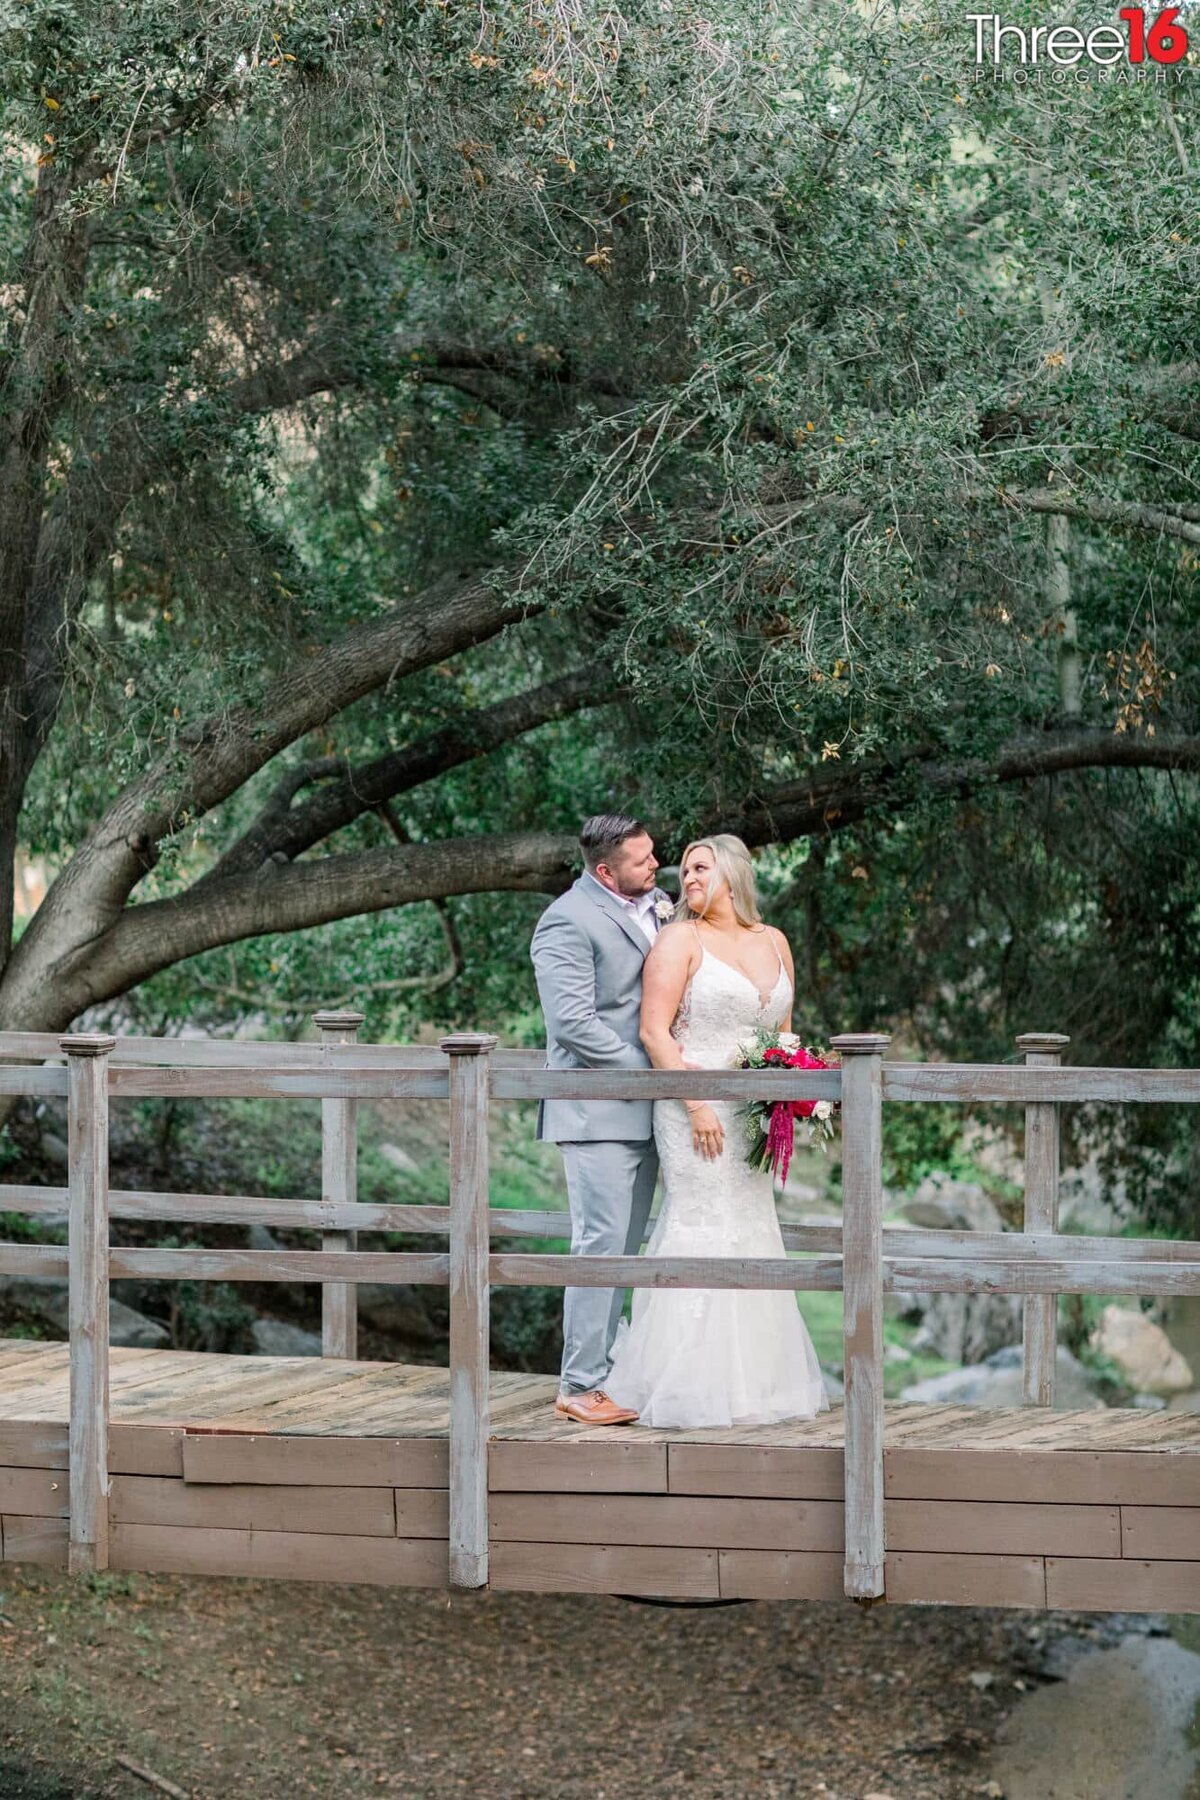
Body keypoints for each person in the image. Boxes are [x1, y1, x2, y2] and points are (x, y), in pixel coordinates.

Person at [604, 833, 829, 1428]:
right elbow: (655, 1033)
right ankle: (682, 1383)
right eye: (683, 870)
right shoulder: (680, 940)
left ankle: (755, 1386)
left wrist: (785, 1108)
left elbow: (782, 1036)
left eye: (699, 867)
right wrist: (698, 1105)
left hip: (752, 1116)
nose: (688, 878)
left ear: (733, 874)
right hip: (692, 1111)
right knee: (701, 1224)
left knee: (753, 1228)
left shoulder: (774, 940)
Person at [530, 813, 675, 1425]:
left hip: (646, 1111)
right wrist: (650, 1069)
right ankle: (578, 1384)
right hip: (596, 1110)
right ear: (605, 870)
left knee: (629, 1250)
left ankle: (610, 1374)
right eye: (643, 862)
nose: (656, 867)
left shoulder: (654, 904)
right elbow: (572, 1025)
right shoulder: (566, 920)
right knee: (599, 1245)